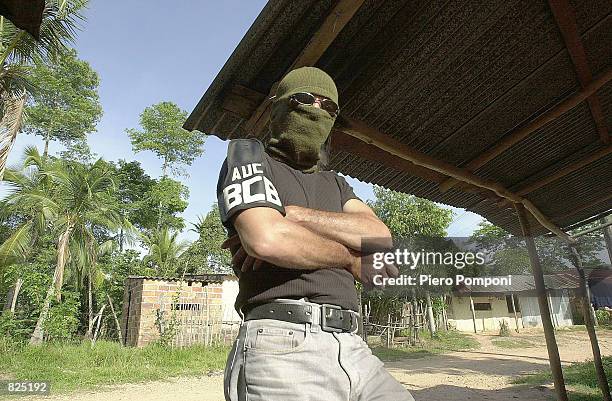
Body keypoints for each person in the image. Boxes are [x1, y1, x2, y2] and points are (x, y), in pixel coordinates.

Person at [216, 66, 414, 401]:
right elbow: (268, 239)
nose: (317, 109)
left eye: (329, 106)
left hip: (354, 347)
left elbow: (378, 236)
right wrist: (349, 257)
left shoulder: (336, 183)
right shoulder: (248, 154)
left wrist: (294, 216)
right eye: (304, 99)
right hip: (283, 344)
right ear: (278, 106)